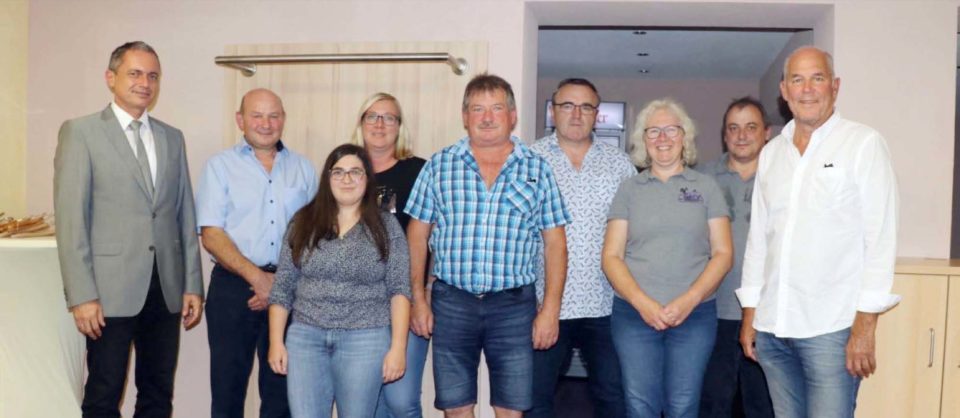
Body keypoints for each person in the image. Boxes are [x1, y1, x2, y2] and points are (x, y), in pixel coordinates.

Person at [736, 46, 900, 418]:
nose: (807, 89)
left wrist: (865, 326)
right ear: (784, 90)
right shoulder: (772, 153)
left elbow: (880, 239)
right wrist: (750, 314)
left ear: (835, 86)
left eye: (817, 78)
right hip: (773, 326)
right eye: (797, 79)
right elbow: (759, 240)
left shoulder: (863, 144)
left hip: (831, 328)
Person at [405, 74, 571, 418]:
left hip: (514, 307)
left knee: (511, 409)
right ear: (465, 116)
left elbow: (555, 244)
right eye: (477, 109)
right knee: (456, 408)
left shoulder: (537, 168)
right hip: (452, 302)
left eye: (496, 108)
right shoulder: (440, 165)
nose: (487, 117)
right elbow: (417, 235)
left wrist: (550, 310)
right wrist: (418, 300)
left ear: (512, 115)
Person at [53, 40, 204, 418]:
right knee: (103, 394)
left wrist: (192, 284)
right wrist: (81, 295)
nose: (144, 83)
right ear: (111, 77)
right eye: (135, 73)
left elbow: (184, 214)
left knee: (157, 393)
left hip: (165, 288)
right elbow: (71, 222)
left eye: (153, 76)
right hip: (107, 292)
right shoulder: (81, 132)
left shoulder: (172, 137)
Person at [602, 98, 733, 418]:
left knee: (683, 406)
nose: (663, 138)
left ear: (685, 136)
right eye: (653, 131)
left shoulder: (707, 187)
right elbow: (611, 256)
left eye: (671, 130)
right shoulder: (629, 189)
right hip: (634, 316)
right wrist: (643, 304)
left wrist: (688, 301)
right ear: (643, 140)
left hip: (695, 315)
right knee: (639, 405)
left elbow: (723, 253)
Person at [196, 88, 317, 418]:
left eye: (274, 115)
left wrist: (278, 284)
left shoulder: (304, 169)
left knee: (282, 396)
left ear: (284, 120)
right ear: (240, 120)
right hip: (233, 288)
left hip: (290, 288)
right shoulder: (219, 167)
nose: (266, 123)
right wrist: (259, 279)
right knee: (228, 391)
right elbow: (211, 235)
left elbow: (315, 235)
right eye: (257, 115)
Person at [267, 143, 411, 418]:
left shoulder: (386, 226)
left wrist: (398, 348)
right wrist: (276, 341)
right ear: (327, 178)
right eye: (338, 172)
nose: (347, 179)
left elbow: (399, 290)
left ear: (367, 179)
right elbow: (283, 287)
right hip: (305, 338)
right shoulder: (303, 222)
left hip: (365, 339)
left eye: (355, 172)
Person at [527, 78, 632, 418]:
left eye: (586, 107)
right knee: (536, 399)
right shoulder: (529, 160)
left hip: (606, 304)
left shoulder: (620, 165)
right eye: (567, 106)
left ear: (596, 114)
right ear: (553, 112)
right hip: (544, 305)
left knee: (614, 398)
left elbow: (637, 232)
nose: (576, 114)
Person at [350, 92, 429, 418]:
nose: (380, 124)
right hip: (357, 303)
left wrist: (424, 294)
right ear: (361, 123)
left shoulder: (420, 171)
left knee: (401, 400)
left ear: (399, 126)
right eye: (372, 116)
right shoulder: (345, 170)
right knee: (369, 402)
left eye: (389, 118)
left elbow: (434, 238)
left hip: (406, 297)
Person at [698, 97, 774, 418]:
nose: (742, 136)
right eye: (733, 128)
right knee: (712, 404)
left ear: (766, 133)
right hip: (711, 313)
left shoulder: (784, 178)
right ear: (724, 135)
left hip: (768, 315)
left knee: (763, 406)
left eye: (750, 127)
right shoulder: (701, 179)